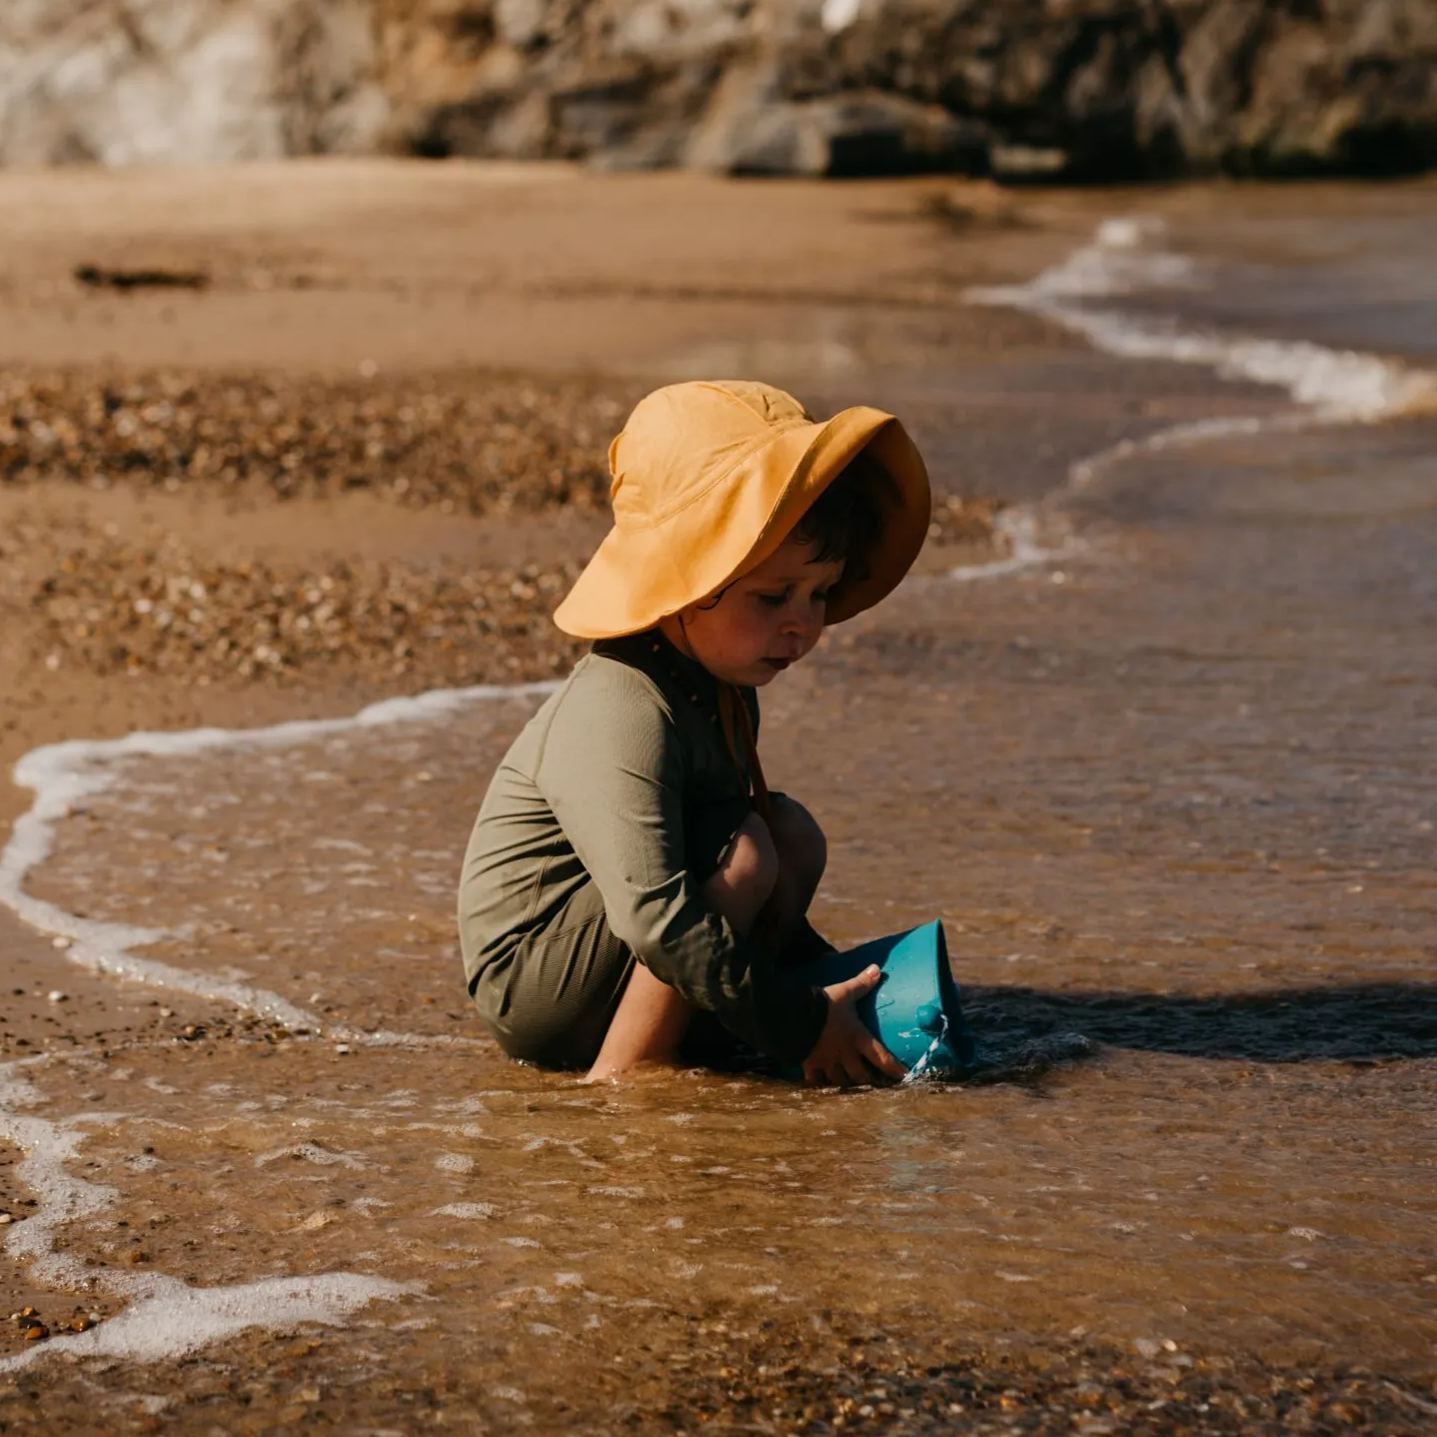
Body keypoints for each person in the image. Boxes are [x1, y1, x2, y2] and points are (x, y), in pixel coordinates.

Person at [457, 379, 931, 1085]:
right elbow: (654, 914)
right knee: (745, 852)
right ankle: (626, 1068)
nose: (803, 623)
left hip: (625, 950)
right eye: (772, 597)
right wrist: (800, 1022)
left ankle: (708, 1026)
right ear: (684, 584)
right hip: (535, 985)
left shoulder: (720, 687)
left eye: (820, 593)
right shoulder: (622, 703)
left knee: (788, 835)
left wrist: (836, 982)